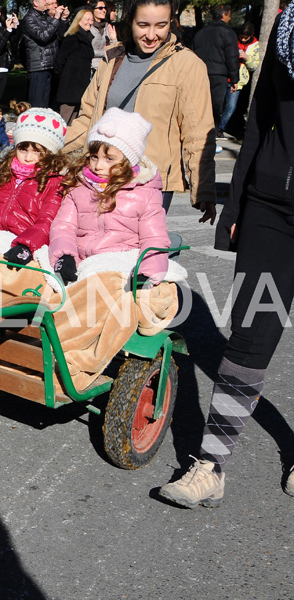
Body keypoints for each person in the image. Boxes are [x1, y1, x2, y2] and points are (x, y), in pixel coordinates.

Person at [158, 3, 294, 509]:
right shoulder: (288, 24)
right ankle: (209, 467)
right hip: (270, 208)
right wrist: (236, 202)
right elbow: (260, 116)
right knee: (250, 335)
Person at [63, 0, 216, 219]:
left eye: (161, 25)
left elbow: (198, 132)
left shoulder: (187, 65)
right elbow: (88, 119)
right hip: (103, 175)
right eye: (143, 25)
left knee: (139, 249)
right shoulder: (112, 58)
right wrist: (50, 145)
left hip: (152, 182)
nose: (152, 35)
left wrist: (204, 189)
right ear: (130, 22)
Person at [50, 108, 168, 285]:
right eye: (94, 157)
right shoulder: (79, 186)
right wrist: (64, 255)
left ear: (128, 160)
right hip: (82, 261)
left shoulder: (145, 193)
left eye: (109, 159)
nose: (98, 166)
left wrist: (147, 272)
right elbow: (63, 226)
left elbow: (154, 238)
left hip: (122, 264)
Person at [0, 106, 67, 263]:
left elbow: (46, 221)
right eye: (23, 149)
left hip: (24, 243)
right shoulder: (8, 174)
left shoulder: (53, 182)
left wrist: (26, 245)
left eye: (37, 152)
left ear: (49, 153)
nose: (28, 157)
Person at [193, 4, 238, 133]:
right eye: (229, 14)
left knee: (200, 105)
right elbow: (232, 57)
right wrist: (234, 79)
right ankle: (212, 133)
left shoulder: (200, 33)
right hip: (219, 74)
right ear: (224, 15)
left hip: (200, 73)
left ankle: (198, 130)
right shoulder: (228, 33)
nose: (230, 17)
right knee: (216, 106)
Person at [20, 0, 70, 108]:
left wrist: (63, 20)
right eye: (44, 0)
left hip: (50, 65)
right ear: (35, 3)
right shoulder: (29, 19)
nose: (47, 2)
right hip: (38, 66)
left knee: (46, 105)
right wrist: (56, 19)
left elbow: (60, 36)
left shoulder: (45, 17)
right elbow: (43, 36)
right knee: (37, 104)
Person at [217, 22, 259, 138]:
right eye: (241, 37)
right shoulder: (232, 40)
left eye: (246, 38)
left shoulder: (255, 46)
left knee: (231, 107)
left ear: (251, 35)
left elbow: (254, 66)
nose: (243, 40)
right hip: (224, 75)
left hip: (238, 81)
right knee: (218, 104)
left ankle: (221, 127)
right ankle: (216, 126)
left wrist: (247, 58)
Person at [53, 8, 95, 124]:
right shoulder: (73, 37)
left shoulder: (86, 37)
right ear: (79, 20)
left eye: (92, 20)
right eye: (87, 19)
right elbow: (60, 61)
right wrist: (63, 78)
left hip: (80, 87)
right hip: (70, 88)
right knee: (64, 121)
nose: (90, 22)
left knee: (74, 121)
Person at [89, 0, 116, 73]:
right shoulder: (89, 27)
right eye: (100, 8)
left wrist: (113, 40)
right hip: (89, 68)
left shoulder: (107, 27)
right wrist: (104, 52)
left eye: (105, 8)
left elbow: (113, 50)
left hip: (104, 67)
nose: (104, 10)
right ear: (93, 10)